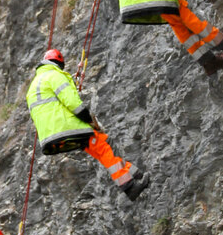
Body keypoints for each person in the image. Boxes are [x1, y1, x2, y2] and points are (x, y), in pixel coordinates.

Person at [26, 48, 150, 201]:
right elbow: (73, 103)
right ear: (59, 64)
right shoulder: (55, 75)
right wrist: (88, 119)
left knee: (101, 147)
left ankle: (133, 172)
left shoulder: (33, 87)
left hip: (50, 137)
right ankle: (129, 187)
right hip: (67, 129)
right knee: (104, 148)